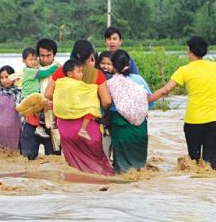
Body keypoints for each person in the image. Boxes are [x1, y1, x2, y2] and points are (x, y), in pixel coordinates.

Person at [148, 36, 216, 170]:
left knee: (193, 163)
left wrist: (147, 100)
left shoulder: (184, 70)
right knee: (210, 166)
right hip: (214, 121)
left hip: (193, 122)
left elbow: (165, 90)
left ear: (190, 50)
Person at [44, 40, 113, 176]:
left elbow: (48, 94)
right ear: (90, 56)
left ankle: (77, 186)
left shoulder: (62, 71)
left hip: (66, 127)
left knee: (74, 167)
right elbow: (107, 102)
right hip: (88, 127)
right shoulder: (96, 74)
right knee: (98, 165)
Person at [106, 50, 152, 172]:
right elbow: (150, 102)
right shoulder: (139, 79)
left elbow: (105, 104)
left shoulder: (110, 83)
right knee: (139, 166)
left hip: (120, 125)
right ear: (129, 63)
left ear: (113, 66)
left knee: (121, 168)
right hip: (140, 127)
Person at [19, 38, 59, 160]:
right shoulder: (29, 70)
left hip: (52, 121)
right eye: (42, 56)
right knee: (27, 159)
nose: (45, 59)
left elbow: (67, 96)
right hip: (31, 120)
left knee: (53, 161)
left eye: (48, 55)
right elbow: (22, 94)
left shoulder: (62, 70)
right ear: (37, 56)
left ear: (54, 55)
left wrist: (55, 104)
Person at [0, 65, 23, 151]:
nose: (4, 80)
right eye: (1, 78)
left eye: (7, 77)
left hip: (14, 126)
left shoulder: (20, 92)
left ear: (13, 77)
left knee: (14, 151)